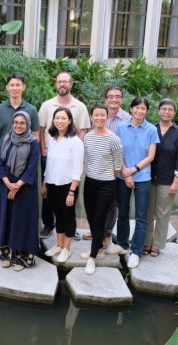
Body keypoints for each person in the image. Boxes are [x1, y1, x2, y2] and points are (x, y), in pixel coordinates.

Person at [38, 72, 90, 240]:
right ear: (56, 84)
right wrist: (43, 149)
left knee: (70, 194)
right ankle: (48, 224)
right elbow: (41, 129)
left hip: (70, 156)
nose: (62, 84)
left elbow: (83, 130)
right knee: (49, 192)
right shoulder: (47, 105)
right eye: (59, 81)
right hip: (50, 153)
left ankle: (70, 227)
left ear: (71, 84)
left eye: (65, 82)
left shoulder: (80, 106)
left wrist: (74, 148)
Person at [111, 97, 159, 269]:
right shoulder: (121, 127)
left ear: (147, 111)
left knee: (141, 216)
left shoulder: (152, 129)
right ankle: (123, 244)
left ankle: (136, 251)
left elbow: (151, 156)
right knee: (122, 212)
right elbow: (118, 151)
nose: (139, 111)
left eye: (143, 108)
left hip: (143, 177)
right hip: (123, 176)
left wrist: (134, 170)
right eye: (136, 108)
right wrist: (126, 172)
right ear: (130, 109)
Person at [83, 86, 132, 245]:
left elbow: (127, 146)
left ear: (122, 100)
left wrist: (120, 171)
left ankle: (107, 234)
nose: (114, 99)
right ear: (106, 99)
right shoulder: (98, 116)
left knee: (113, 204)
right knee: (98, 203)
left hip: (119, 168)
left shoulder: (127, 119)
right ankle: (96, 230)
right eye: (110, 96)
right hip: (100, 169)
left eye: (117, 96)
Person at [0, 111, 40, 272]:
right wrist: (8, 184)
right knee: (5, 218)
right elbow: (0, 164)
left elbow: (32, 168)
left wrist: (17, 186)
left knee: (22, 220)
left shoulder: (34, 143)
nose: (18, 126)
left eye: (22, 123)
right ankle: (7, 254)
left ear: (28, 125)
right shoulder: (6, 139)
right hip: (5, 186)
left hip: (25, 189)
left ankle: (21, 257)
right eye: (16, 122)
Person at [81, 103, 123, 275]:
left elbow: (118, 166)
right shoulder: (88, 137)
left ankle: (92, 257)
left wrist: (108, 180)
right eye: (96, 115)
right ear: (91, 117)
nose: (99, 118)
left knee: (99, 219)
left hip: (106, 184)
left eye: (102, 115)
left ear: (107, 117)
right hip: (90, 182)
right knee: (91, 218)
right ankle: (98, 247)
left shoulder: (114, 139)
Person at [143, 99, 178, 257]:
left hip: (168, 179)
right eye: (163, 109)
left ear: (174, 113)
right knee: (147, 212)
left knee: (163, 213)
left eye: (170, 109)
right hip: (148, 178)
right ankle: (146, 242)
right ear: (158, 111)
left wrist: (176, 181)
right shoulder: (150, 129)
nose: (166, 112)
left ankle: (157, 245)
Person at [42, 108, 84, 264]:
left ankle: (67, 248)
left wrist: (72, 191)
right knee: (58, 215)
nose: (59, 121)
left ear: (70, 120)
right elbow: (49, 165)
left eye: (63, 118)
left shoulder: (75, 141)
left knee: (68, 216)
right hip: (52, 183)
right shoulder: (52, 139)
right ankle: (59, 245)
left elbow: (77, 169)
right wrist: (45, 184)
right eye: (57, 118)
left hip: (68, 185)